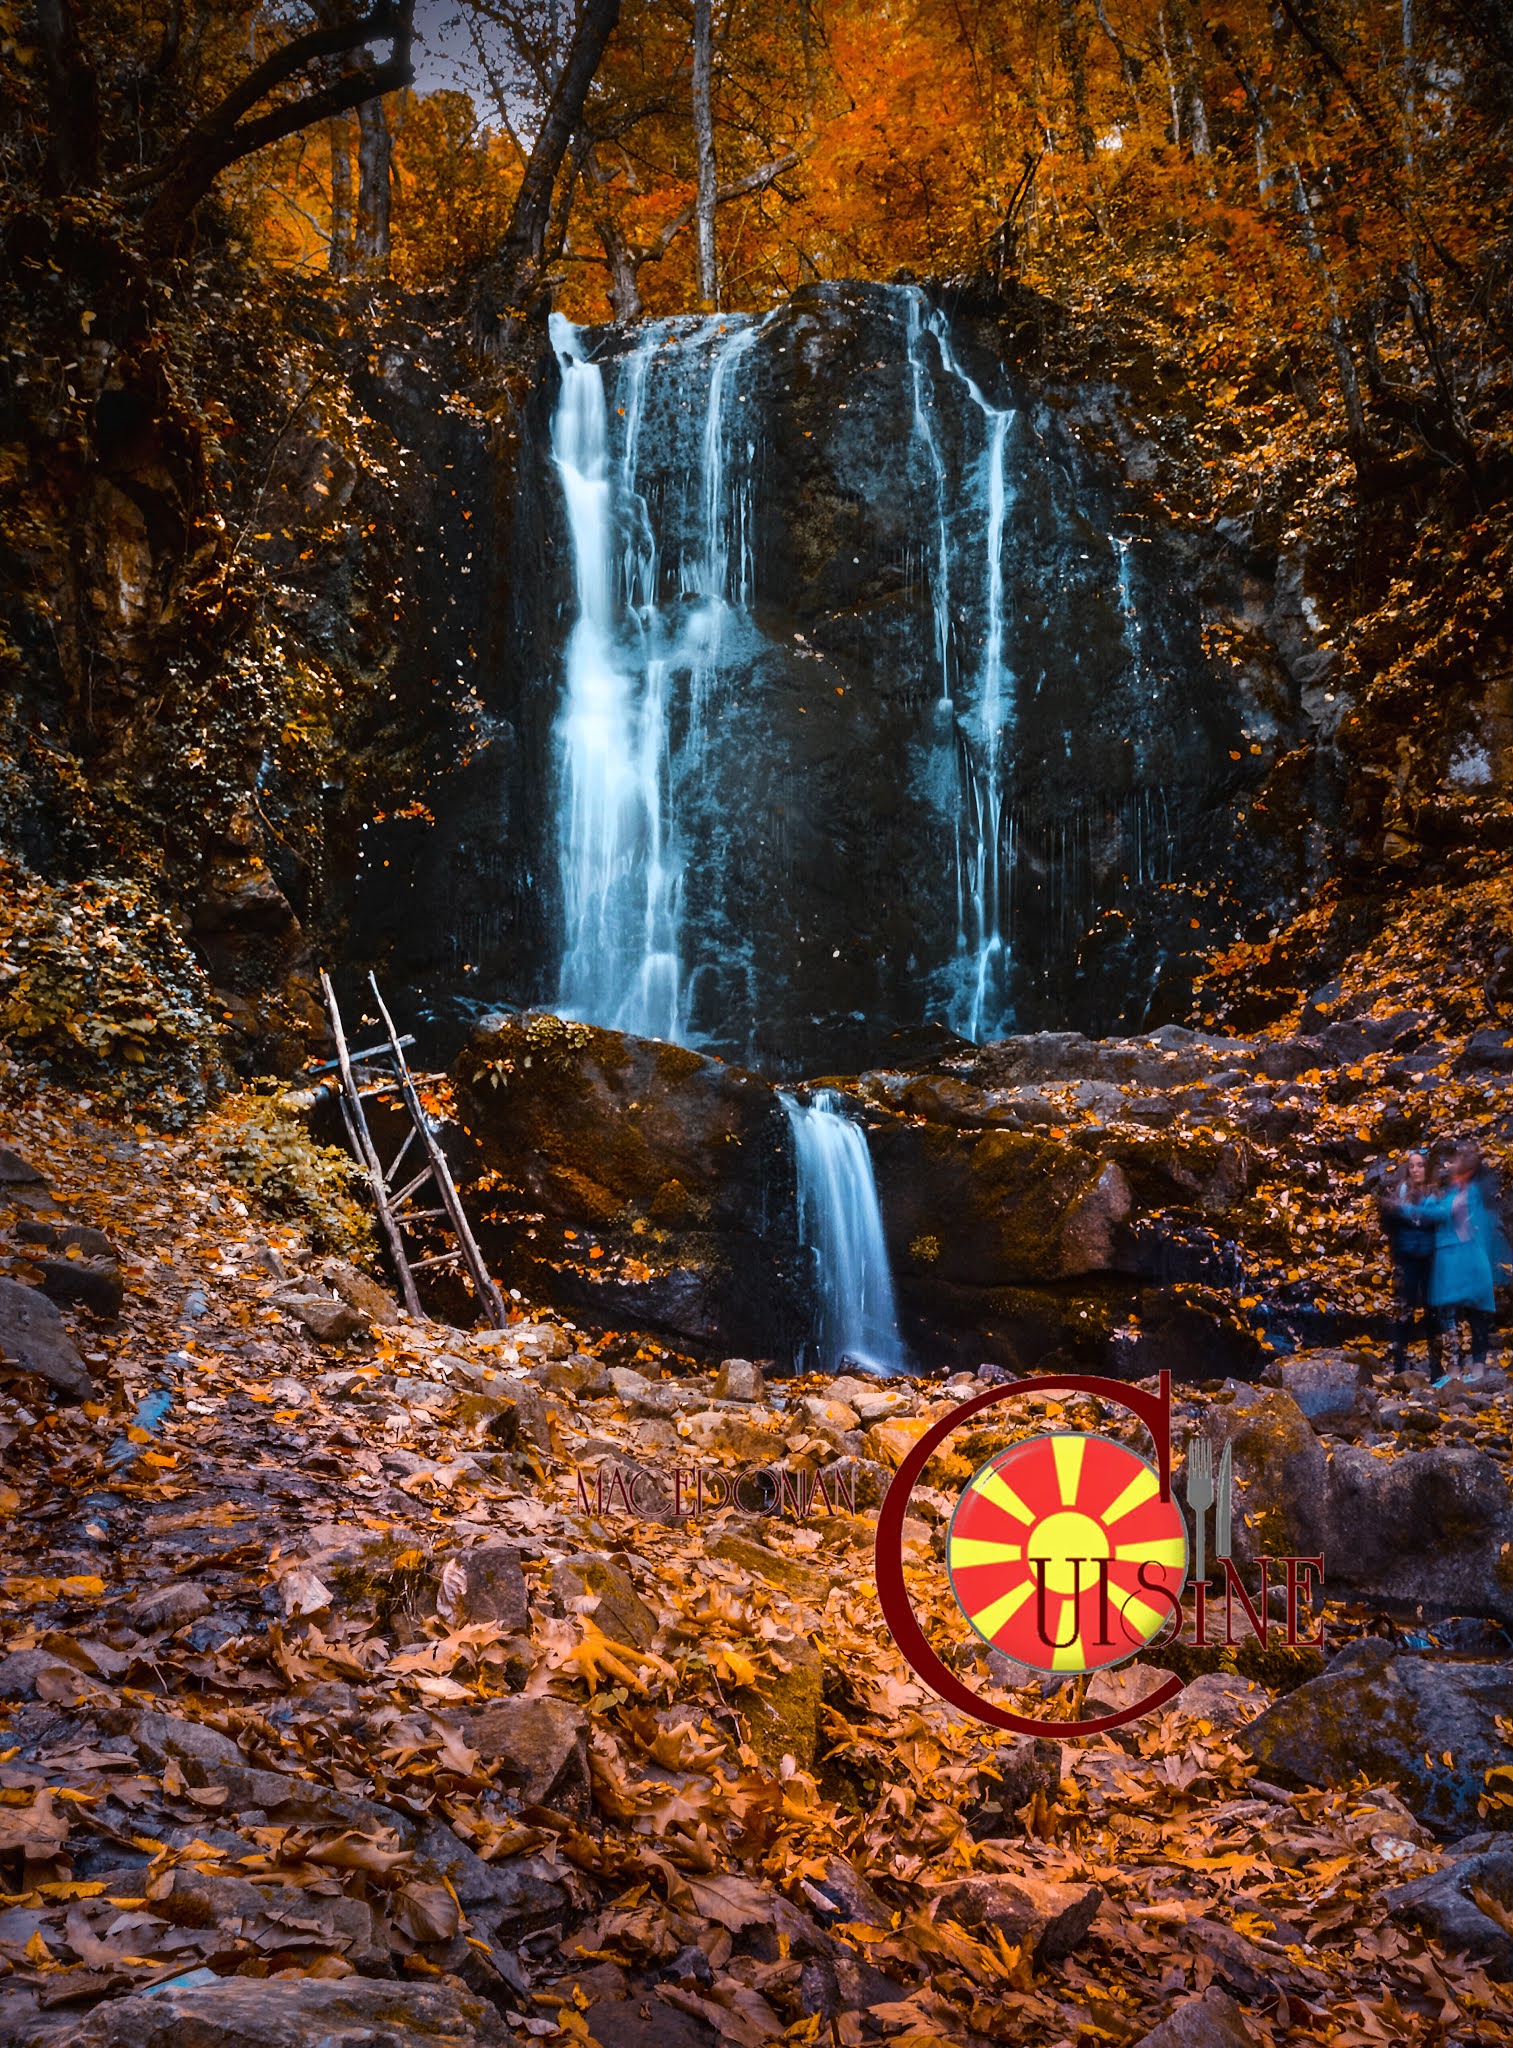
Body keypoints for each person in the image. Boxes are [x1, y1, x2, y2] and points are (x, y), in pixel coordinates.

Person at [1417, 1143, 1512, 1377]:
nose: (1450, 1165)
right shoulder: (1455, 1192)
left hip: (1464, 1262)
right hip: (1456, 1263)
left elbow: (1440, 1214)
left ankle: (1473, 1368)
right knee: (1455, 1314)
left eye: (1456, 1161)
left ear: (1467, 1170)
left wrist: (1411, 1207)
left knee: (1468, 1313)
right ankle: (1459, 1368)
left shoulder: (1470, 1193)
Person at [1378, 1150, 1438, 1372]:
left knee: (1433, 1313)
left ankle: (1436, 1368)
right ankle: (1398, 1367)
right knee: (1404, 1312)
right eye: (1412, 1166)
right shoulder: (1400, 1194)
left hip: (1430, 1260)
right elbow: (1389, 1226)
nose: (1415, 1170)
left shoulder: (1435, 1195)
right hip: (1406, 1260)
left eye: (1420, 1165)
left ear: (1427, 1168)